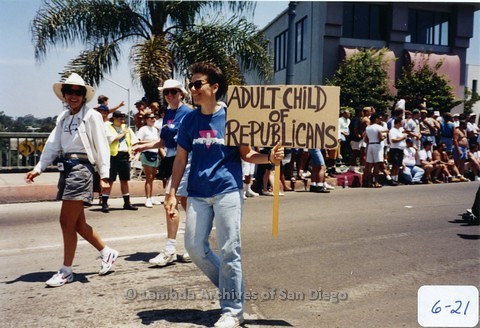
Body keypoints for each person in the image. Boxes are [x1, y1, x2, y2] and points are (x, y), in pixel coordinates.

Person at [165, 62, 284, 328]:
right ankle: (233, 288)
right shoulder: (188, 120)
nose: (192, 89)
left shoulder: (233, 117)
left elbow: (247, 154)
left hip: (227, 190)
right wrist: (172, 193)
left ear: (214, 87)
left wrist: (269, 158)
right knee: (194, 247)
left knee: (231, 249)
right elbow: (180, 159)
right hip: (197, 192)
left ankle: (232, 310)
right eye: (191, 84)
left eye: (197, 84)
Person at [24, 73, 118, 287]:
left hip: (82, 169)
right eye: (69, 92)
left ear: (84, 95)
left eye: (78, 92)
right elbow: (53, 144)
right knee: (76, 222)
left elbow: (101, 145)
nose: (73, 96)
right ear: (64, 95)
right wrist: (39, 167)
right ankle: (107, 252)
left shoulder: (91, 116)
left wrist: (104, 175)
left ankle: (66, 270)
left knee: (66, 221)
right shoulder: (63, 117)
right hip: (66, 168)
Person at [101, 110, 139, 212]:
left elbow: (134, 141)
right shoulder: (108, 128)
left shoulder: (126, 128)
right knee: (110, 180)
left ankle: (127, 203)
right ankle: (104, 202)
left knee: (124, 180)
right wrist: (123, 134)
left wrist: (133, 152)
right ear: (114, 118)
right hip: (113, 156)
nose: (122, 120)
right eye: (120, 118)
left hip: (124, 155)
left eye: (123, 118)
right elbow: (112, 139)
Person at [136, 113, 162, 207]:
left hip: (155, 154)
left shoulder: (155, 129)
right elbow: (138, 141)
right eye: (151, 118)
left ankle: (151, 197)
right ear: (146, 119)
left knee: (152, 177)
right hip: (146, 153)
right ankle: (147, 199)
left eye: (154, 117)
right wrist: (151, 142)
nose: (153, 119)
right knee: (149, 177)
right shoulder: (143, 129)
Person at [388, 117, 407, 184]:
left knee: (398, 165)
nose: (402, 124)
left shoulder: (399, 130)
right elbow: (393, 140)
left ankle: (396, 179)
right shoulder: (393, 130)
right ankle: (392, 180)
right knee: (395, 165)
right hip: (395, 149)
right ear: (398, 123)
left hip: (400, 149)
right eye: (401, 122)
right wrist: (402, 138)